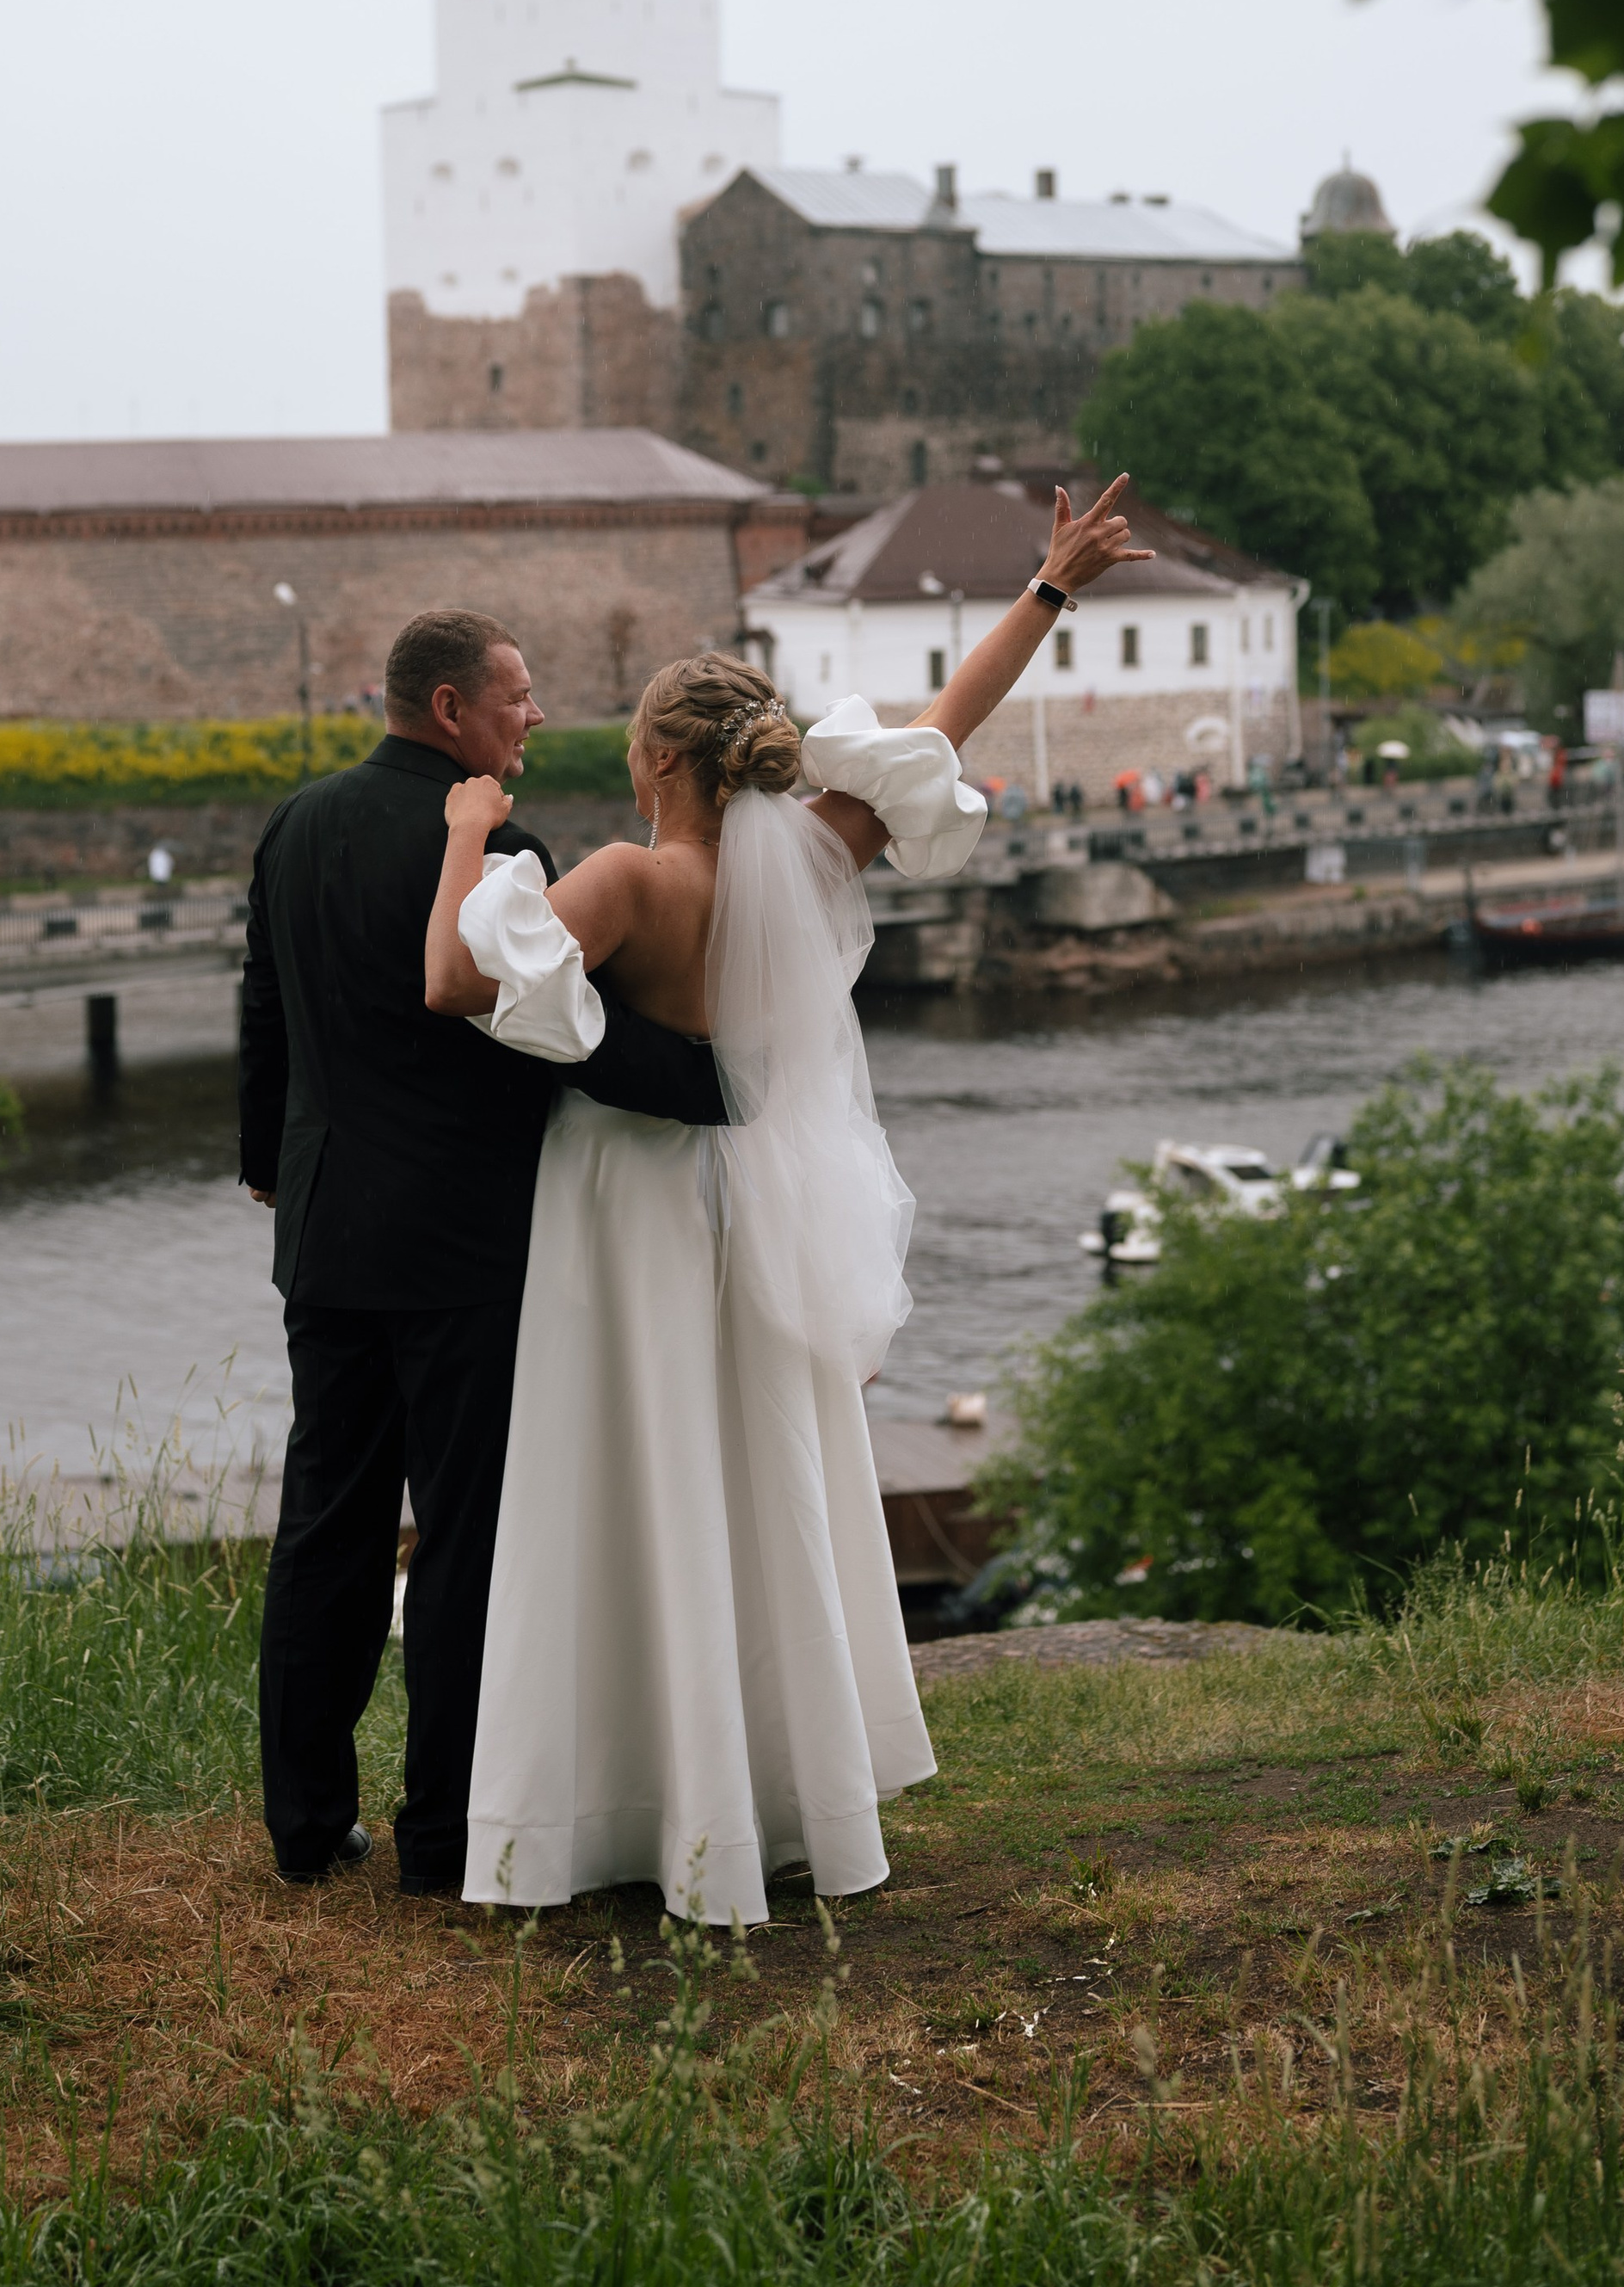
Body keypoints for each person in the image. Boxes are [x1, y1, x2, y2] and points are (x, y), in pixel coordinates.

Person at [424, 479, 1153, 1924]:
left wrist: (468, 829)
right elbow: (947, 728)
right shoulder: (813, 860)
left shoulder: (626, 880)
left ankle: (627, 1805)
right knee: (763, 1483)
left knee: (631, 1476)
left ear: (661, 758)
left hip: (627, 1215)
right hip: (754, 1199)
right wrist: (1049, 590)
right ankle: (783, 1796)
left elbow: (456, 978)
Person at [238, 609, 727, 1896]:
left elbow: (265, 1003)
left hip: (327, 1231)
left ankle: (304, 1824)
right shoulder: (500, 852)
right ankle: (442, 1835)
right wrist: (709, 1082)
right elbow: (555, 1034)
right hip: (464, 1244)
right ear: (450, 709)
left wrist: (267, 1160)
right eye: (516, 696)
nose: (535, 715)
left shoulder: (295, 825)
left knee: (325, 1523)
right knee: (465, 1534)